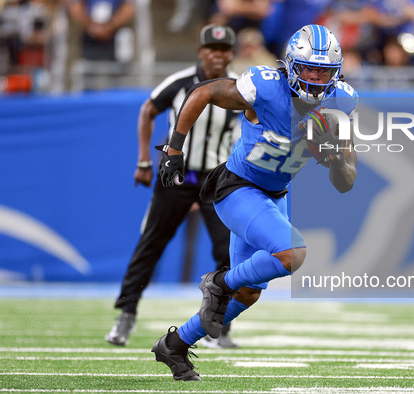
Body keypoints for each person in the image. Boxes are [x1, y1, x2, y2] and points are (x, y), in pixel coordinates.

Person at [149, 24, 358, 381]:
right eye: (308, 68)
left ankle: (176, 344)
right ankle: (219, 281)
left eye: (324, 71)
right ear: (291, 65)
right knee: (293, 254)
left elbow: (346, 182)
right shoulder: (265, 87)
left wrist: (335, 158)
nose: (316, 77)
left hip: (275, 197)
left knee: (247, 294)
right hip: (238, 188)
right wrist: (174, 148)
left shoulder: (341, 103)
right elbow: (203, 92)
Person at [105, 24, 241, 349]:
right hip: (177, 177)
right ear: (201, 52)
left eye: (224, 50)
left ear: (231, 54)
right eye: (212, 48)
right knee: (151, 243)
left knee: (228, 251)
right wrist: (143, 161)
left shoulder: (240, 87)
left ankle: (220, 326)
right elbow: (148, 110)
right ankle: (126, 314)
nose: (218, 55)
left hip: (215, 180)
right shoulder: (180, 83)